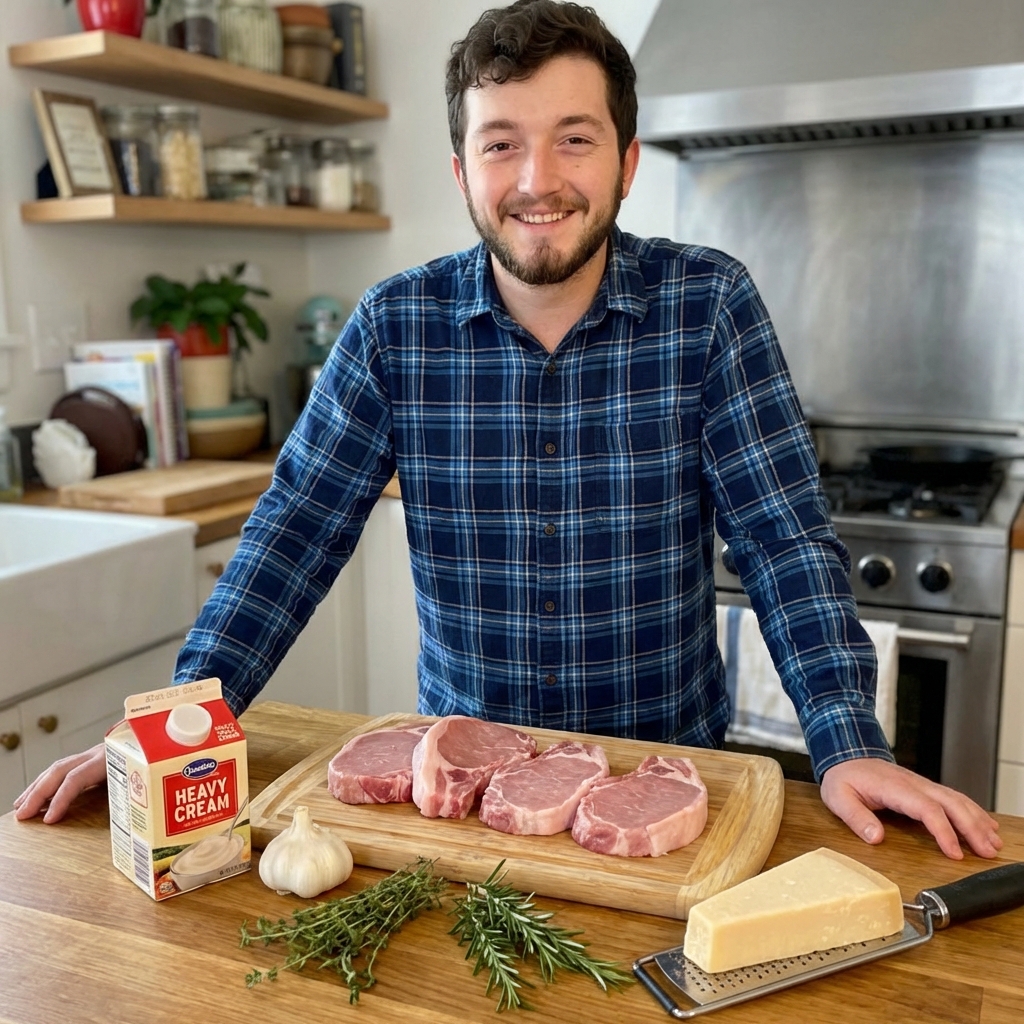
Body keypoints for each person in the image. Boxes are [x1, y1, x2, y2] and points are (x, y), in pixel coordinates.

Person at [15, 0, 1001, 862]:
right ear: (461, 170)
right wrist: (175, 731)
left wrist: (846, 742)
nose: (538, 178)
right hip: (464, 797)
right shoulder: (393, 327)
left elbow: (783, 541)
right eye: (500, 143)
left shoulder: (708, 305)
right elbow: (295, 529)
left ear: (626, 161)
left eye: (575, 138)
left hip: (667, 787)